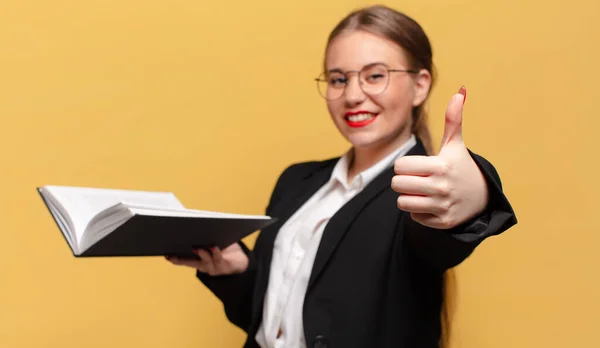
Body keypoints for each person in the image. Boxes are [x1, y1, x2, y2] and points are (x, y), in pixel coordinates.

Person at [166, 4, 517, 348]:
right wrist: (236, 270)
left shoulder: (422, 190)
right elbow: (274, 320)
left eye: (375, 75)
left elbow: (445, 229)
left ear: (420, 85)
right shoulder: (296, 182)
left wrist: (479, 193)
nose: (352, 95)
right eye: (338, 79)